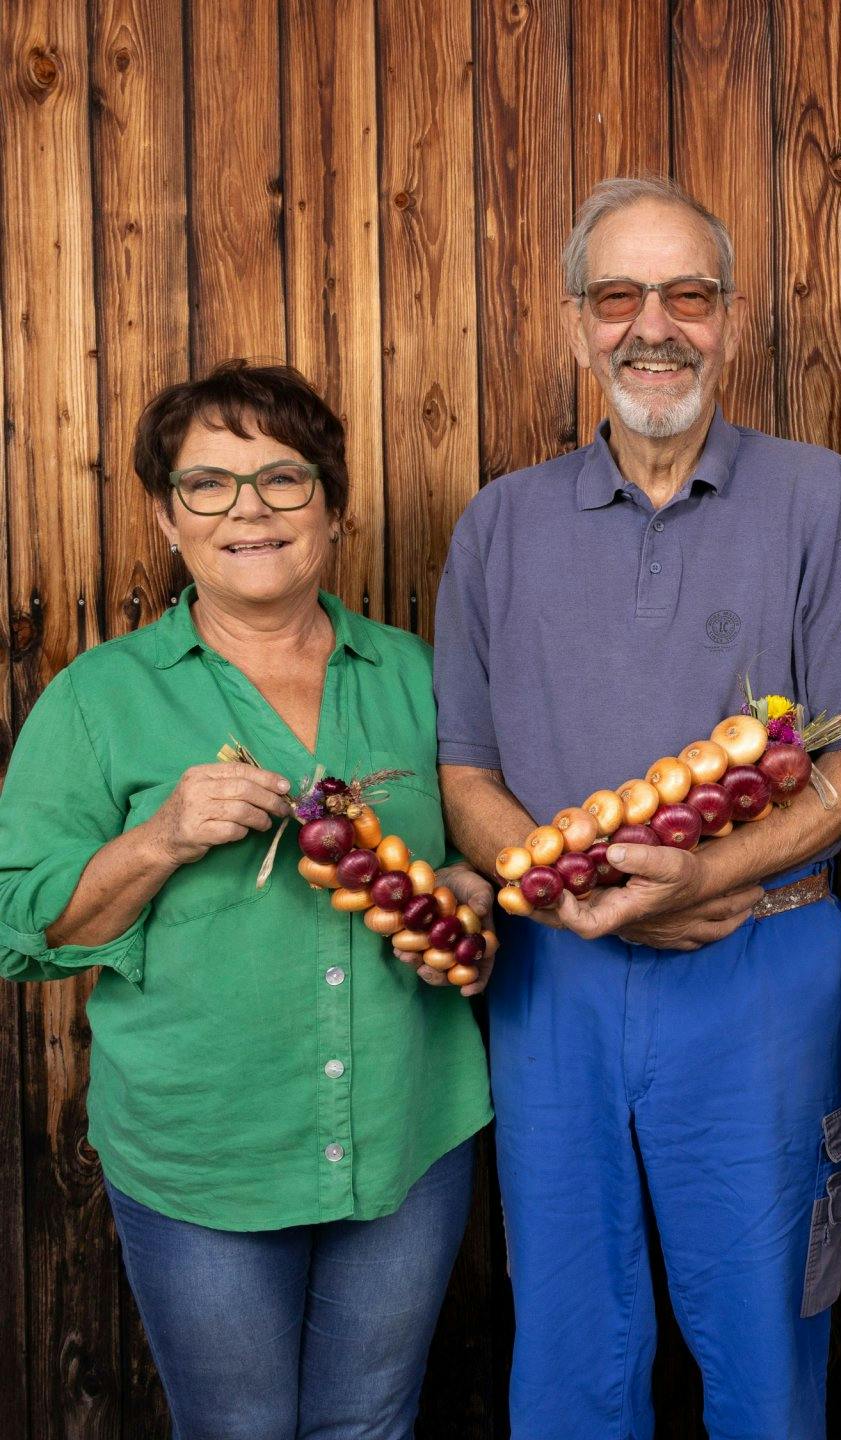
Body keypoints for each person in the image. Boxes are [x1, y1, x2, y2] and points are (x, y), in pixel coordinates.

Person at [433, 174, 841, 1440]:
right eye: (619, 296)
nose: (654, 326)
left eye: (687, 295)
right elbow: (465, 777)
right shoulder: (498, 525)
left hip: (763, 960)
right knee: (569, 1343)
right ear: (575, 322)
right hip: (556, 971)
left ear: (731, 318)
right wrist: (586, 895)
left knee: (767, 1340)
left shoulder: (819, 499)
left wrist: (704, 877)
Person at [0, 361, 494, 1437]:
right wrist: (161, 839)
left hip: (406, 1134)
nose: (249, 510)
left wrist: (467, 901)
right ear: (167, 518)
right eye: (208, 485)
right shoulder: (98, 699)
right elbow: (26, 927)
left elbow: (483, 864)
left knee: (371, 1426)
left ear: (333, 506)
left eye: (282, 478)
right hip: (201, 1156)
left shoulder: (423, 677)